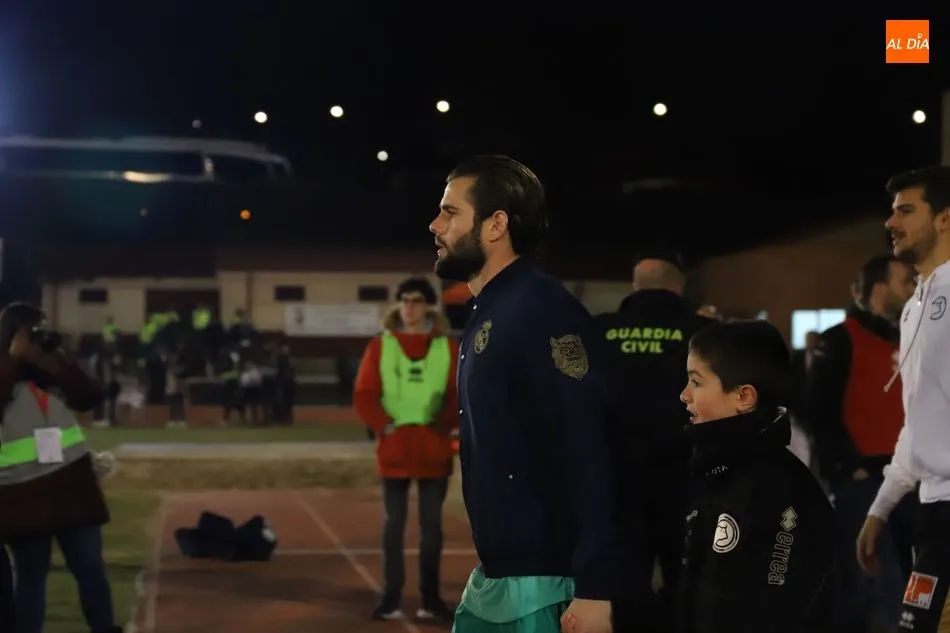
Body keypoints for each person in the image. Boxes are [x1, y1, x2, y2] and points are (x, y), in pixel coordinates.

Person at [430, 155, 615, 633]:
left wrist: (595, 586)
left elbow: (591, 449)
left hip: (544, 583)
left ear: (495, 225)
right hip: (500, 574)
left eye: (450, 212)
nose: (435, 225)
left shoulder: (542, 310)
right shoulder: (491, 309)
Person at [677, 320, 835, 632]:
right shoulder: (718, 471)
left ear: (744, 397)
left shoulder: (777, 487)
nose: (684, 395)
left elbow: (775, 610)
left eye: (696, 382)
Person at [595, 253, 715, 632]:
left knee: (625, 584)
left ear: (635, 286)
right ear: (679, 287)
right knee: (688, 583)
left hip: (616, 483)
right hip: (688, 480)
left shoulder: (599, 331)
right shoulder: (704, 335)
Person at [858, 165, 950, 632]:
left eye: (906, 211)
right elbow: (918, 422)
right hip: (932, 512)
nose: (891, 222)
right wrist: (881, 506)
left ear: (945, 219)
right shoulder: (914, 306)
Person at [806, 254, 916, 633]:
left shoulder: (910, 338)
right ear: (880, 289)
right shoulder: (841, 339)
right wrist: (848, 466)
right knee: (876, 582)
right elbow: (817, 409)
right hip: (863, 481)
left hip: (907, 479)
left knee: (907, 578)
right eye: (905, 282)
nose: (913, 289)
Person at [0, 302, 121, 633]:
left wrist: (58, 361)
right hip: (23, 490)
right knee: (31, 577)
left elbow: (89, 397)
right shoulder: (5, 367)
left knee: (90, 570)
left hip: (71, 483)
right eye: (32, 331)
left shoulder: (49, 366)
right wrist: (14, 358)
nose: (39, 336)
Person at [353, 276, 460, 622]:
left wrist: (442, 425)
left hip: (433, 450)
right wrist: (384, 425)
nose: (410, 307)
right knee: (393, 527)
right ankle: (391, 598)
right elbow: (365, 393)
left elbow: (457, 392)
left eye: (416, 300)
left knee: (432, 530)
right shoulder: (380, 346)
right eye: (404, 300)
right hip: (395, 451)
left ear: (428, 306)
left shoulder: (447, 347)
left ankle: (431, 599)